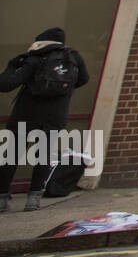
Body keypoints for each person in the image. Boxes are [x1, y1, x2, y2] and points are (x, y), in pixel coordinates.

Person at [0, 27, 89, 212]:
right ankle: (33, 200)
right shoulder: (73, 58)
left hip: (26, 114)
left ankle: (2, 199)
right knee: (43, 157)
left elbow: (6, 85)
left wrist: (11, 66)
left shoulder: (34, 59)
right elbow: (84, 79)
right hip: (55, 116)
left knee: (11, 156)